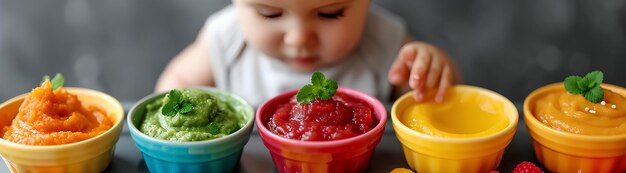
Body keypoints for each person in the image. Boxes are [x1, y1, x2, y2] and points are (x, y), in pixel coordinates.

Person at [155, 0, 460, 107]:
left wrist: (426, 69)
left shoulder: (385, 41)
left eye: (330, 13)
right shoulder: (225, 38)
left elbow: (427, 100)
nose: (300, 37)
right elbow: (177, 81)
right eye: (269, 13)